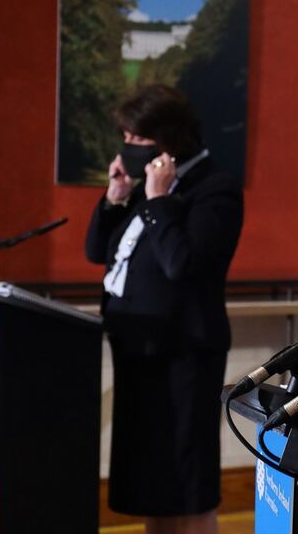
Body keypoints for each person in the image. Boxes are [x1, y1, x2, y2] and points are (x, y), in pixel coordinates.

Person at [86, 84, 243, 534]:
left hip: (184, 357)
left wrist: (158, 201)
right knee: (156, 483)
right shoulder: (142, 189)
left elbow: (182, 264)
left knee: (187, 482)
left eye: (137, 138)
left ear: (168, 139)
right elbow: (96, 251)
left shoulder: (215, 190)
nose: (128, 147)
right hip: (141, 353)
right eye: (126, 137)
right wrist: (115, 197)